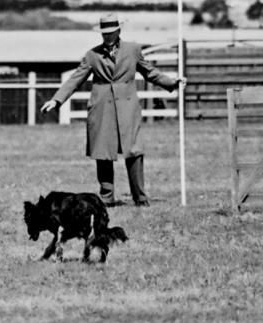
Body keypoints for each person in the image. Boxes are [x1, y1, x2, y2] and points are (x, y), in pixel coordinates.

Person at [40, 13, 186, 207]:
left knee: (134, 151)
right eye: (104, 33)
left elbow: (150, 72)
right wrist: (56, 100)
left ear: (118, 30)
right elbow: (75, 79)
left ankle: (140, 198)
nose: (107, 36)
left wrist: (172, 83)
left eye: (111, 32)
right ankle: (107, 198)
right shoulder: (92, 55)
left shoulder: (133, 50)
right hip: (101, 108)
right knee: (103, 152)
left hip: (127, 107)